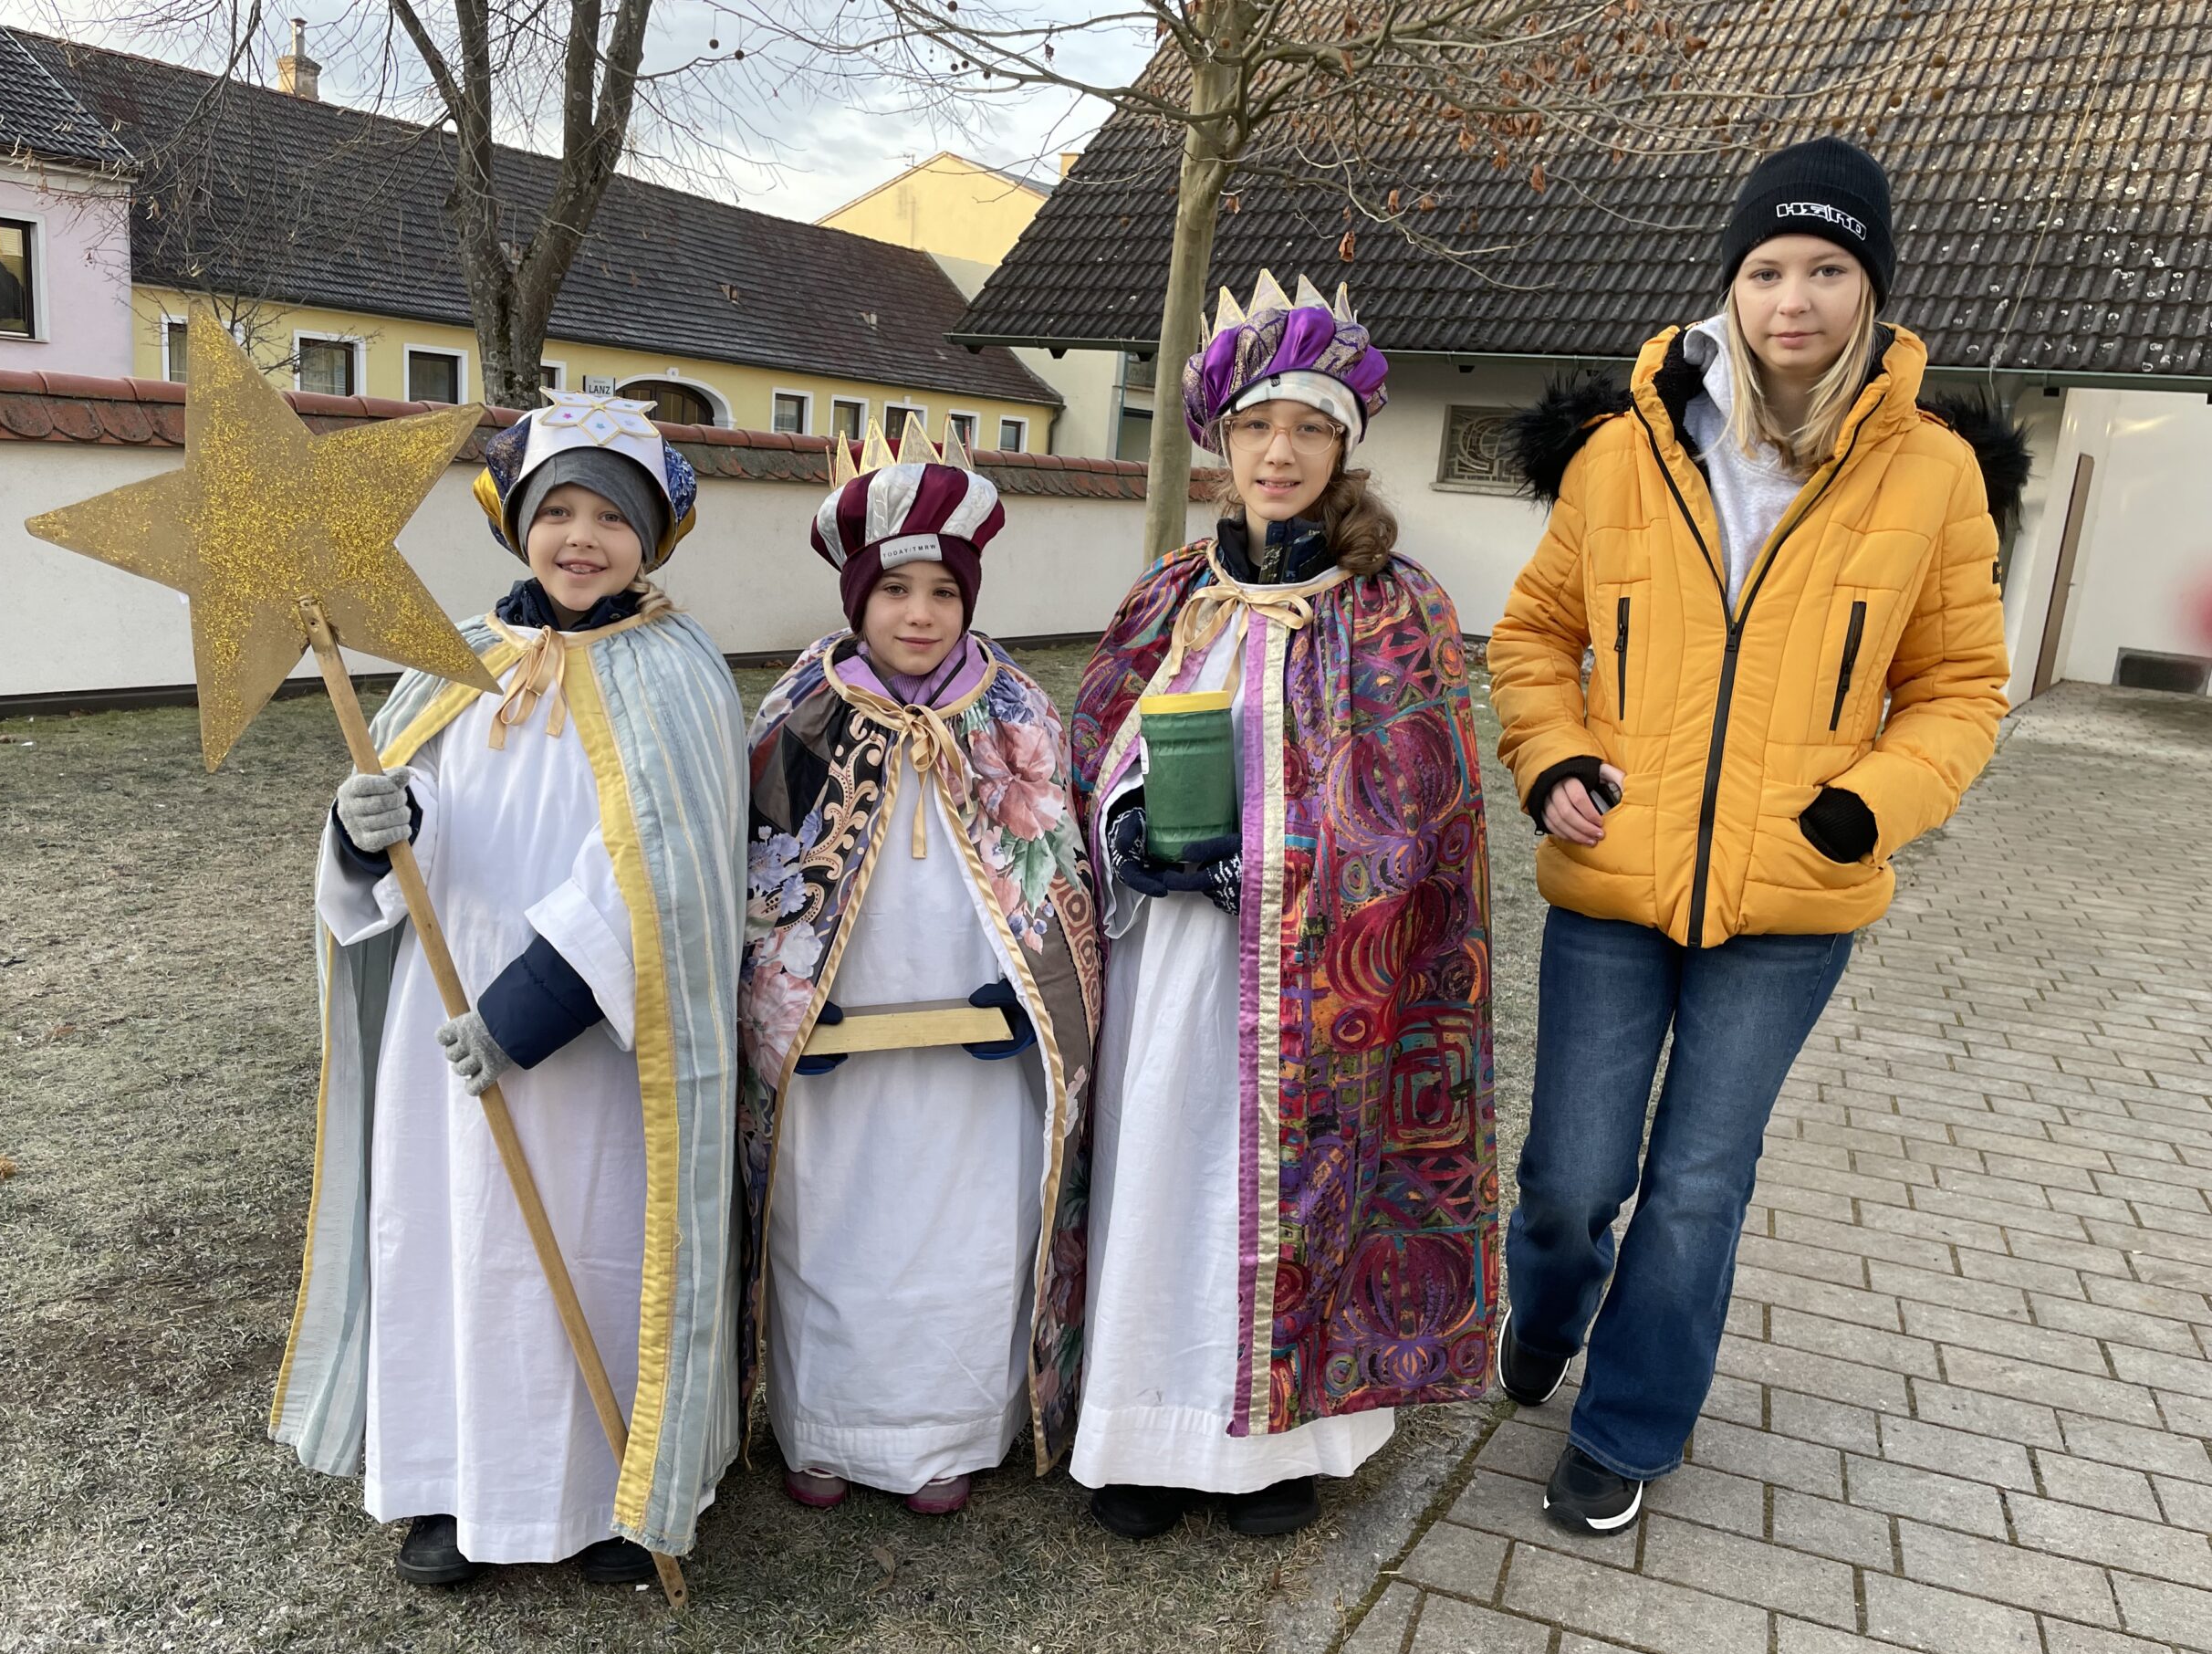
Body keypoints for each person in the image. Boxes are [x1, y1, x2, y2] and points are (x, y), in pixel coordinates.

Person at [1488, 138, 2029, 1535]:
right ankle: (1544, 1312)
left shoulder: (1934, 475)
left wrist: (1872, 804)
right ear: (1731, 284)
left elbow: (1963, 688)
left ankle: (1628, 1426)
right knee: (1569, 1182)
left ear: (1872, 289)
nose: (1794, 299)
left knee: (1696, 1186)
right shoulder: (1625, 451)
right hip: (1614, 873)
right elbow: (1536, 636)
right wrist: (1552, 759)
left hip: (1794, 893)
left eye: (1828, 269)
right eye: (1768, 269)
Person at [272, 392, 747, 1586]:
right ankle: (448, 1483)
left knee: (590, 1247)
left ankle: (603, 1495)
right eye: (560, 512)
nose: (582, 538)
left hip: (589, 1039)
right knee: (447, 1243)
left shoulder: (680, 672)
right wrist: (374, 822)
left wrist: (526, 1014)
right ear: (517, 522)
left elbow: (665, 871)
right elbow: (413, 815)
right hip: (440, 1022)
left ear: (653, 536)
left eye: (612, 518)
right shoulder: (457, 656)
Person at [1069, 273, 1497, 1541]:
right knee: (1163, 1169)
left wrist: (1276, 868)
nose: (1279, 452)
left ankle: (1281, 1449)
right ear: (1222, 438)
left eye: (1309, 428)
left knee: (1306, 1190)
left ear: (1342, 448)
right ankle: (1145, 1434)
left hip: (1325, 981)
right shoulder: (1169, 597)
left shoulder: (1397, 605)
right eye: (1258, 426)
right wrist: (1128, 829)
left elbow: (1419, 808)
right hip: (1176, 963)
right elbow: (1101, 745)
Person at [735, 419, 1099, 1514]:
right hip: (835, 1041)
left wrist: (1029, 1002)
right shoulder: (800, 713)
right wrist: (785, 1009)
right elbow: (756, 874)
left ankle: (949, 1432)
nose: (920, 613)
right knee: (826, 1222)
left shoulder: (1016, 709)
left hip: (977, 1049)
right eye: (895, 591)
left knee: (964, 1227)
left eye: (943, 591)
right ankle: (825, 1428)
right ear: (858, 598)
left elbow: (1055, 874)